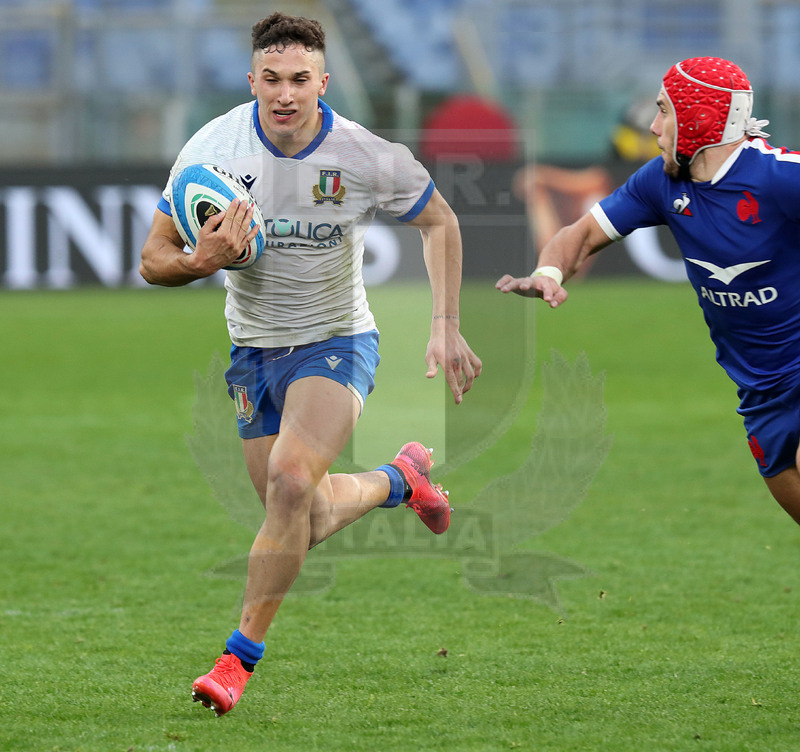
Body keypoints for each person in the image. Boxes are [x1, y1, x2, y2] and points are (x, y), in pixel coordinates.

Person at [139, 12, 481, 717]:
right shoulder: (213, 150)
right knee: (301, 514)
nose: (285, 93)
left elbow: (440, 220)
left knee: (291, 487)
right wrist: (196, 262)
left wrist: (445, 324)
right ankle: (399, 479)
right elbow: (153, 258)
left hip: (337, 340)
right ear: (251, 81)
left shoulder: (363, 154)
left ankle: (236, 661)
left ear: (324, 81)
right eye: (272, 79)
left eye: (300, 79)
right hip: (251, 351)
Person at [498, 56, 800, 527]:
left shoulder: (780, 177)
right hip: (760, 390)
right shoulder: (658, 183)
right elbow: (578, 236)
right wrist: (550, 274)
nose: (654, 127)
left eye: (664, 111)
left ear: (700, 119)